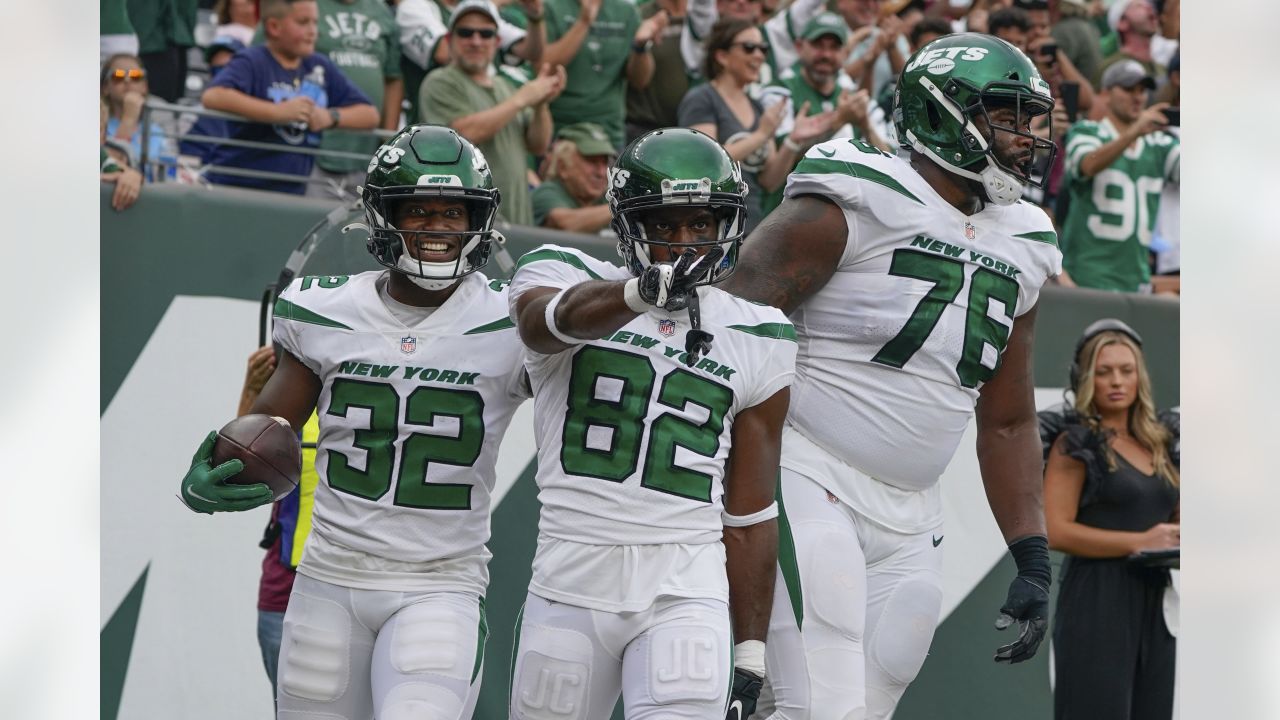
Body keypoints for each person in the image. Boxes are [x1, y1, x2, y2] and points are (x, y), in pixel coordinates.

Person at [722, 33, 1062, 720]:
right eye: (1008, 114)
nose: (1027, 136)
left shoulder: (1025, 238)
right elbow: (727, 331)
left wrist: (1030, 553)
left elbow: (1008, 418)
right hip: (807, 476)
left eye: (1032, 118)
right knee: (819, 705)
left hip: (914, 513)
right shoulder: (855, 195)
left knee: (870, 697)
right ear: (943, 113)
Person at [178, 125, 530, 719]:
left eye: (453, 211)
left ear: (478, 220)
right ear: (382, 215)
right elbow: (268, 427)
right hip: (329, 578)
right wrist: (217, 460)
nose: (438, 227)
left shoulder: (513, 321)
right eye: (418, 210)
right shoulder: (324, 310)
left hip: (439, 583)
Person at [506, 126, 795, 720]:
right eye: (665, 226)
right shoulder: (560, 269)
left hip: (686, 584)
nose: (686, 244)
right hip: (571, 580)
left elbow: (749, 511)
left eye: (702, 224)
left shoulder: (760, 331)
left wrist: (751, 651)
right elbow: (542, 324)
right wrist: (636, 295)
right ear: (629, 225)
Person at [1042, 319, 1179, 720]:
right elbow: (1054, 529)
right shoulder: (1075, 442)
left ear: (1140, 377)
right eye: (1103, 372)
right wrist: (1140, 541)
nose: (1116, 381)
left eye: (1126, 370)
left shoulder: (1160, 441)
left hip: (1156, 599)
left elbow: (1169, 516)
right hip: (1097, 600)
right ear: (1085, 379)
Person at [202, 0, 379, 195]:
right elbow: (213, 96)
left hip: (291, 189)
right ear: (273, 27)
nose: (313, 30)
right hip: (236, 184)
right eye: (303, 22)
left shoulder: (318, 65)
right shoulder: (253, 60)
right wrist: (276, 112)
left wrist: (330, 117)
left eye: (315, 22)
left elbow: (370, 114)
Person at [678, 18, 832, 232]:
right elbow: (706, 163)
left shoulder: (757, 107)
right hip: (710, 224)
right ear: (722, 56)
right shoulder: (702, 99)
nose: (759, 56)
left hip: (751, 223)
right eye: (749, 48)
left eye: (763, 49)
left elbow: (769, 180)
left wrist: (792, 141)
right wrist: (761, 135)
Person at [420, 0, 565, 226]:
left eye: (485, 34)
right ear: (449, 40)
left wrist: (540, 105)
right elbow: (459, 136)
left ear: (497, 42)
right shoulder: (440, 81)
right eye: (466, 32)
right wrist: (522, 99)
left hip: (516, 217)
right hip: (467, 221)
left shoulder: (505, 86)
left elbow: (538, 145)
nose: (476, 41)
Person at [1059, 59, 1178, 292]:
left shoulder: (1160, 144)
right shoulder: (1087, 131)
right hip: (1087, 278)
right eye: (1128, 89)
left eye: (1142, 90)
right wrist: (1134, 133)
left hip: (1136, 281)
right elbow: (1087, 164)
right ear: (1105, 94)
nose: (1138, 97)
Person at [540, 0, 666, 149]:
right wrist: (583, 23)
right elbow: (545, 67)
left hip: (609, 133)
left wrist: (640, 46)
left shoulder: (627, 12)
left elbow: (640, 81)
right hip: (559, 130)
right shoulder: (550, 7)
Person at [101, 54, 175, 179]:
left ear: (144, 86)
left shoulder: (158, 129)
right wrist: (129, 119)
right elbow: (107, 168)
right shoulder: (98, 125)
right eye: (118, 76)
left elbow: (171, 172)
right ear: (105, 88)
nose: (127, 80)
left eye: (136, 76)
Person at [531, 122, 615, 232]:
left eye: (605, 162)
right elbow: (564, 224)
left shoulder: (607, 197)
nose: (601, 173)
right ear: (563, 167)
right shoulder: (546, 193)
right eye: (591, 161)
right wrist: (622, 207)